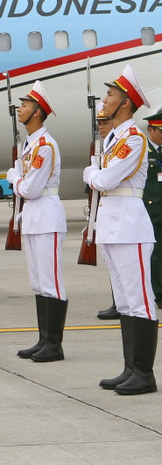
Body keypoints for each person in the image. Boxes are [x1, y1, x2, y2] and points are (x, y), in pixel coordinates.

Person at [84, 65, 157, 395]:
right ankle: (130, 368)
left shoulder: (133, 138)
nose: (105, 100)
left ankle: (144, 373)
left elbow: (104, 180)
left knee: (140, 301)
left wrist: (91, 173)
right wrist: (96, 173)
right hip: (112, 226)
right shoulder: (113, 139)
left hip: (130, 225)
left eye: (111, 95)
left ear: (126, 103)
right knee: (125, 303)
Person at [6, 82, 67, 362]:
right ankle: (43, 339)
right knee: (39, 283)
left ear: (38, 112)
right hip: (33, 215)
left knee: (51, 281)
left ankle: (54, 344)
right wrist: (21, 181)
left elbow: (29, 188)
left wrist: (13, 178)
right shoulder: (30, 145)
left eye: (25, 105)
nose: (20, 109)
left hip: (46, 215)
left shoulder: (44, 145)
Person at [93, 102, 120, 320]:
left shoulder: (122, 143)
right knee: (112, 263)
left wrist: (92, 175)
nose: (101, 127)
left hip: (126, 212)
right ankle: (117, 302)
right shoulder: (106, 145)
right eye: (99, 123)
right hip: (107, 211)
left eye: (105, 122)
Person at [142, 107, 162, 307]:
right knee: (155, 256)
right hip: (151, 212)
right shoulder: (143, 152)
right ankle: (159, 294)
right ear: (151, 130)